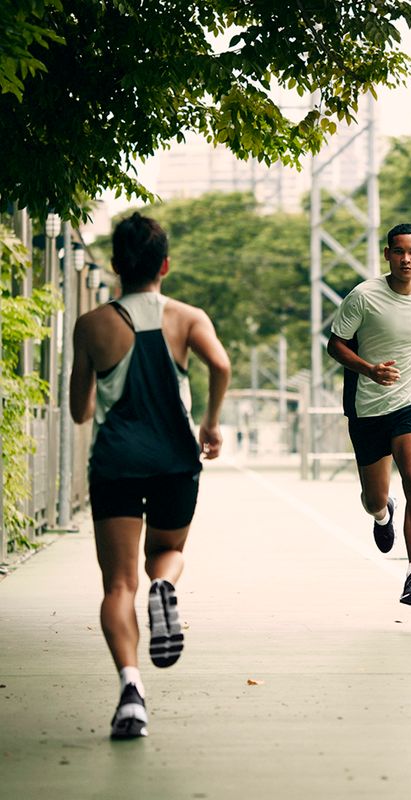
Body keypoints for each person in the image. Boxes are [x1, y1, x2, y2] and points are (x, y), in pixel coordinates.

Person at [70, 212, 231, 739]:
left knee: (117, 584)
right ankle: (165, 585)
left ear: (116, 266)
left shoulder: (92, 323)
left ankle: (131, 693)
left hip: (116, 462)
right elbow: (222, 365)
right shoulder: (187, 317)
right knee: (167, 551)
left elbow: (79, 410)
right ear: (165, 264)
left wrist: (102, 384)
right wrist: (209, 423)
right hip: (174, 461)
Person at [327, 222, 411, 609]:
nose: (406, 259)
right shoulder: (363, 297)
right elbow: (335, 345)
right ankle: (383, 515)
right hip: (367, 408)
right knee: (373, 497)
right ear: (387, 255)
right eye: (398, 251)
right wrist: (368, 370)